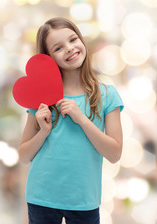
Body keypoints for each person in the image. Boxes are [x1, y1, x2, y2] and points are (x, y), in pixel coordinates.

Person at [18, 17, 124, 224]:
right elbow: (23, 155)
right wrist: (43, 131)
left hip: (84, 200)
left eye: (73, 39)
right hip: (42, 197)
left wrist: (82, 119)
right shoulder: (41, 97)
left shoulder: (107, 95)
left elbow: (114, 153)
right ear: (48, 57)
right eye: (58, 48)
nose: (69, 48)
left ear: (82, 41)